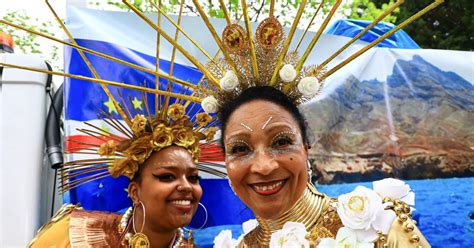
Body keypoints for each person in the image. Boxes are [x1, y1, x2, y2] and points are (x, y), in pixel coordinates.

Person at [217, 86, 430, 247]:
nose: (263, 166)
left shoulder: (380, 226)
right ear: (226, 164)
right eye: (239, 149)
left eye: (281, 142)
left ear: (306, 149)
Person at [29, 98, 218, 247]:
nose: (186, 186)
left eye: (193, 178)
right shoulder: (71, 236)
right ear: (135, 192)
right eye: (167, 176)